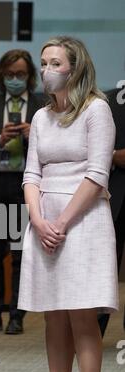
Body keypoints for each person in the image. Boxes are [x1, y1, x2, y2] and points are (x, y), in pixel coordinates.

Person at [18, 36, 118, 372]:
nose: (45, 70)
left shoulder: (98, 110)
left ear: (74, 68)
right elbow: (31, 175)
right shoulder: (41, 118)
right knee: (52, 316)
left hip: (83, 221)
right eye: (43, 62)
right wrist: (40, 220)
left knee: (81, 318)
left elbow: (97, 175)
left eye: (54, 62)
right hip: (44, 225)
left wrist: (61, 221)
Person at [0, 49, 43, 335]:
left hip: (26, 187)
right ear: (2, 76)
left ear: (30, 76)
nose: (15, 79)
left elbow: (53, 147)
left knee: (20, 255)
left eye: (21, 74)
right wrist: (0, 139)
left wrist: (33, 135)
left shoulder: (42, 106)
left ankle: (17, 315)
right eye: (10, 74)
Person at [97, 87, 125, 336]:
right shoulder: (107, 100)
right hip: (110, 200)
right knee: (103, 272)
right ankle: (93, 333)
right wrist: (115, 155)